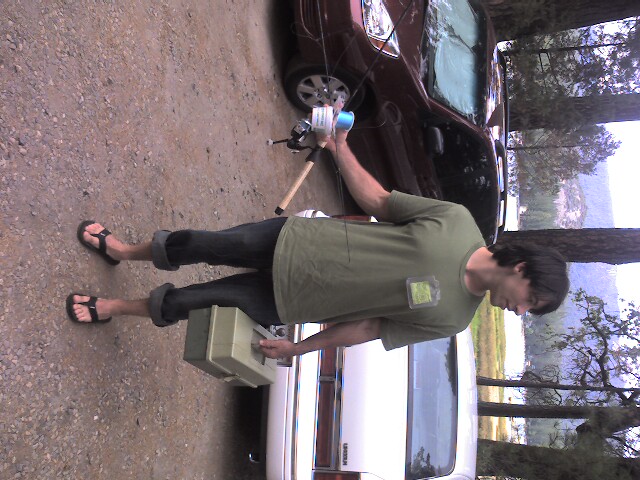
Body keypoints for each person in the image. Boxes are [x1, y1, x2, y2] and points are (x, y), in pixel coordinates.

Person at [67, 128, 569, 359]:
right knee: (198, 242)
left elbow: (370, 327)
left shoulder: (455, 319)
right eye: (531, 304)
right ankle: (124, 250)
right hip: (295, 240)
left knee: (191, 303)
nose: (520, 313)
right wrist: (340, 148)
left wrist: (300, 348)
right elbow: (377, 199)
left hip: (293, 299)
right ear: (522, 270)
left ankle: (115, 306)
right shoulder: (456, 222)